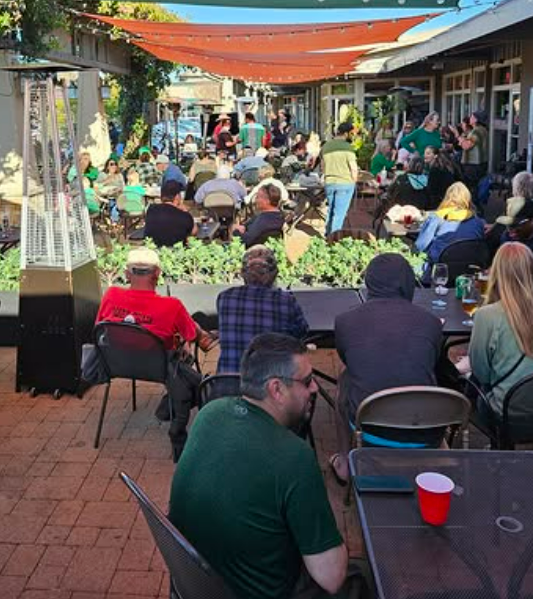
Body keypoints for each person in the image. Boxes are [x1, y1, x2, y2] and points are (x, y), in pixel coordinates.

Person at [170, 333, 355, 599]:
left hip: (196, 583)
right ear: (276, 389)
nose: (315, 388)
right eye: (307, 381)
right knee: (359, 576)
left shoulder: (210, 413)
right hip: (261, 591)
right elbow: (332, 578)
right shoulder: (295, 458)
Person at [330, 254, 444, 482]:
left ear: (370, 283)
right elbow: (433, 361)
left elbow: (348, 360)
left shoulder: (345, 321)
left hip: (370, 428)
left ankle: (345, 460)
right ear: (408, 283)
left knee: (345, 378)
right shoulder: (431, 322)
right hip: (426, 431)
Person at [95, 248, 210, 460]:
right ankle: (175, 423)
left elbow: (99, 327)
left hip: (116, 363)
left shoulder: (111, 295)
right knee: (194, 381)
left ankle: (169, 405)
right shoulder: (171, 305)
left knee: (181, 365)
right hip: (160, 369)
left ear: (127, 274)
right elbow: (191, 334)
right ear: (157, 274)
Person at [454, 242, 533, 419]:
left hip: (512, 415)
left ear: (496, 273)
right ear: (532, 271)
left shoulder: (487, 315)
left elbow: (482, 375)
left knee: (470, 386)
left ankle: (461, 434)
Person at [215, 246, 308, 374]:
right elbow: (301, 332)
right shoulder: (285, 301)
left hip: (226, 385)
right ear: (274, 274)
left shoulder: (224, 298)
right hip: (269, 388)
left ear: (242, 273)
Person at [415, 182, 486, 268]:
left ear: (447, 197)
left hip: (439, 269)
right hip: (469, 267)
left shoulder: (437, 218)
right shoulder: (477, 222)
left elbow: (420, 246)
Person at [321, 121, 359, 236]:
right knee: (339, 214)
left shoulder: (326, 145)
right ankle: (334, 238)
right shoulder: (348, 148)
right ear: (347, 134)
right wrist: (355, 180)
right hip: (345, 183)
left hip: (330, 182)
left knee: (331, 211)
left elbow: (323, 166)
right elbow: (353, 168)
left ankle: (327, 235)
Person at [143, 180, 195, 247]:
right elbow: (194, 231)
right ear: (177, 197)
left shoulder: (151, 210)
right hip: (177, 252)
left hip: (153, 250)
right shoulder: (184, 216)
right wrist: (185, 210)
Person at [459, 111, 488, 184]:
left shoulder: (476, 131)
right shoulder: (483, 129)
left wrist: (458, 136)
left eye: (472, 117)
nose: (470, 118)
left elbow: (466, 146)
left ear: (476, 120)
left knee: (471, 187)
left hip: (473, 164)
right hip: (480, 163)